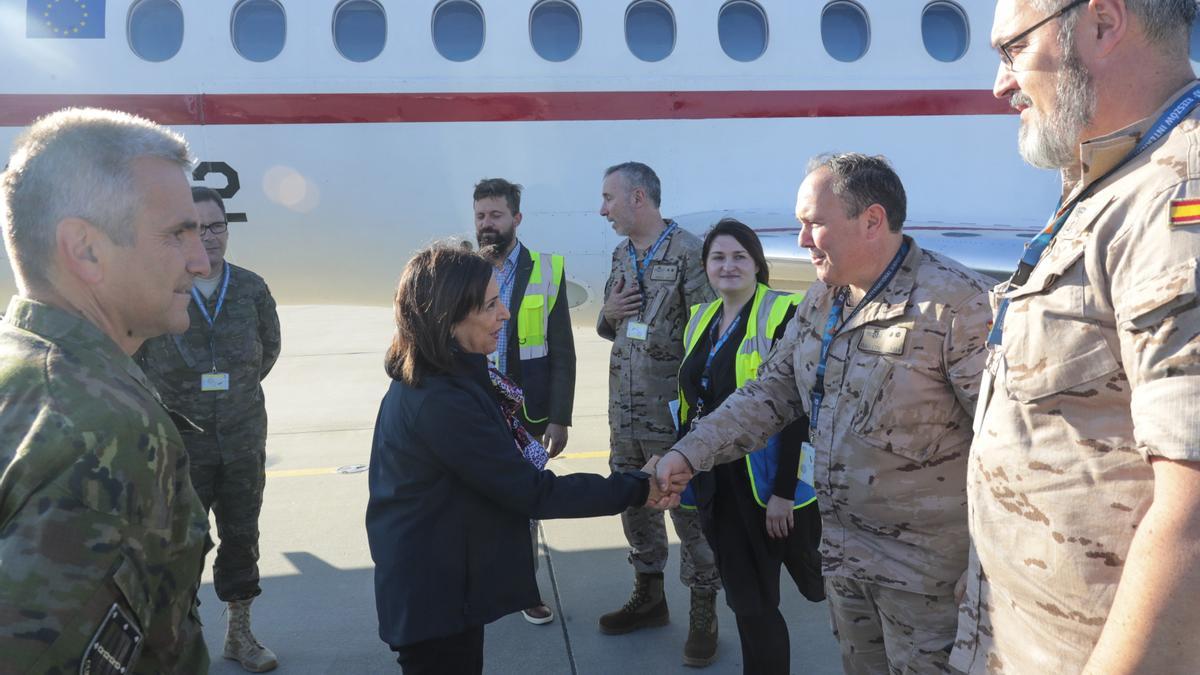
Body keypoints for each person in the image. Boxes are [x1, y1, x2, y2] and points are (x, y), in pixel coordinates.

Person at [656, 153, 993, 674]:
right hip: (845, 559)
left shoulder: (955, 304)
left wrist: (988, 564)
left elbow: (1006, 441)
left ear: (872, 221)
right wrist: (690, 452)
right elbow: (771, 391)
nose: (801, 240)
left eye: (814, 223)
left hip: (928, 576)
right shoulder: (823, 300)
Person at [949, 2, 1200, 673]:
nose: (1000, 85)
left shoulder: (1180, 194)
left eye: (1012, 50)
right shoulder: (1113, 181)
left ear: (1102, 23)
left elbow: (1194, 509)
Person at [366, 243, 675, 675]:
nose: (505, 314)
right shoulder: (441, 402)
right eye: (491, 305)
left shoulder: (442, 377)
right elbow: (530, 492)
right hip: (433, 602)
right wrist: (637, 486)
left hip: (441, 589)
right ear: (450, 315)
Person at [0, 107, 211, 672]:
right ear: (87, 249)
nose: (200, 261)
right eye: (176, 235)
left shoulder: (20, 364)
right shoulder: (104, 432)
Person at [137, 187, 282, 671]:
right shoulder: (157, 291)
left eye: (217, 226)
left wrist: (232, 395)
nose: (209, 237)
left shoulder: (251, 288)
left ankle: (239, 634)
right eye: (196, 228)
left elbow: (269, 349)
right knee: (182, 544)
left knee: (242, 535)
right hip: (182, 442)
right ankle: (181, 638)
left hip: (242, 440)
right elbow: (134, 362)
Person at [674, 219, 825, 675]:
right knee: (750, 600)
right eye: (718, 257)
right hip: (719, 482)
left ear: (758, 264)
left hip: (767, 483)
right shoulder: (700, 318)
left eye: (739, 256)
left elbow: (795, 410)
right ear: (706, 266)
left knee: (804, 584)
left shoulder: (783, 313)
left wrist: (784, 493)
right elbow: (692, 401)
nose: (728, 266)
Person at [595, 161, 721, 666]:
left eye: (609, 198)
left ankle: (703, 611)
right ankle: (649, 596)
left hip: (672, 419)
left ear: (639, 199)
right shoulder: (621, 253)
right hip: (624, 414)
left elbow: (710, 335)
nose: (603, 208)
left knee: (689, 516)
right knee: (633, 504)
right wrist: (609, 313)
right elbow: (610, 326)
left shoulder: (691, 253)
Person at [472, 177, 576, 625]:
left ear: (516, 218)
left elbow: (562, 350)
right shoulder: (463, 266)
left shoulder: (548, 269)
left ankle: (525, 590)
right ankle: (476, 586)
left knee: (525, 505)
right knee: (471, 501)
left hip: (526, 413)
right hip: (474, 406)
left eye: (495, 215)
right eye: (480, 216)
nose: (486, 225)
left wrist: (559, 417)